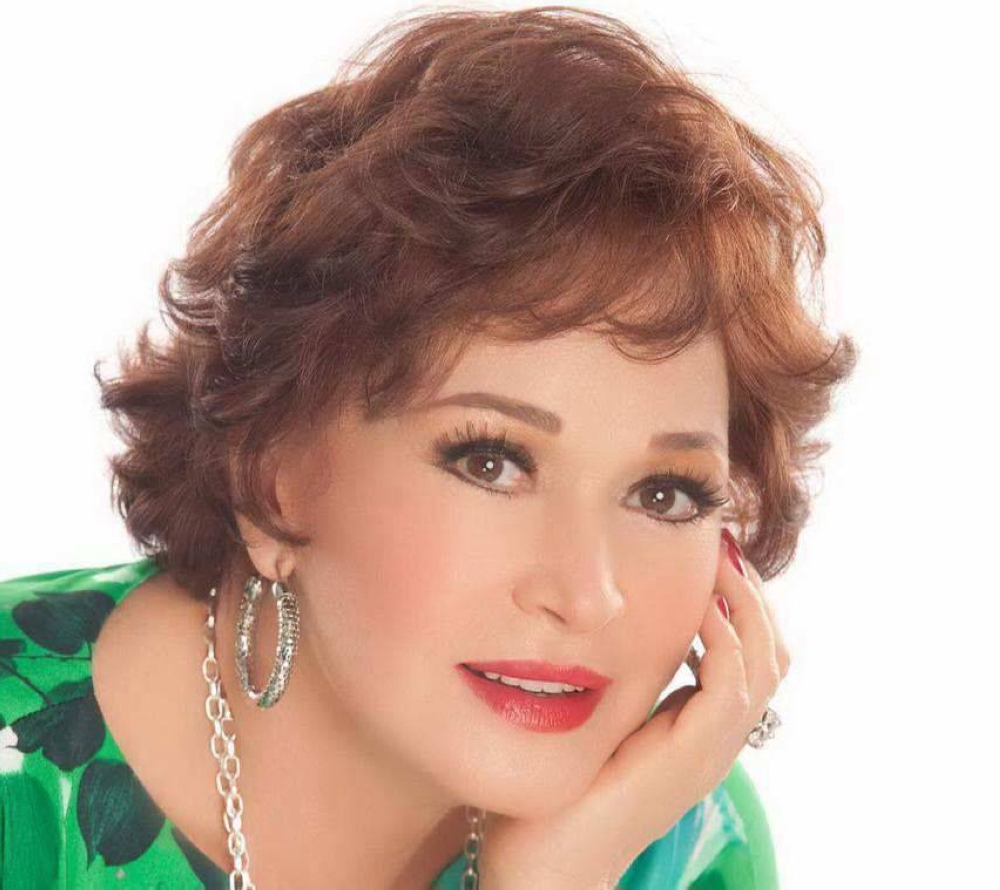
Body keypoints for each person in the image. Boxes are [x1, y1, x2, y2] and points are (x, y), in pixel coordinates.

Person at [0, 6, 857, 888]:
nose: (586, 595)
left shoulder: (679, 838)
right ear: (272, 478)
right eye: (492, 462)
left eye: (665, 493)